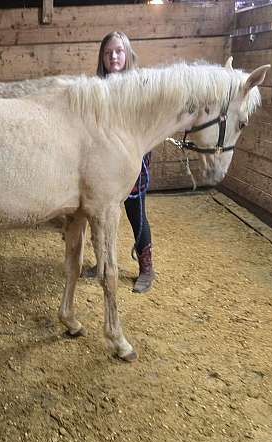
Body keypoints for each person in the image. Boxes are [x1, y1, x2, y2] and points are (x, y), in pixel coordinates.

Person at [83, 31, 155, 293]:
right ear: (102, 57)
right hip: (103, 163)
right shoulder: (96, 87)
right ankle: (101, 263)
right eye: (108, 52)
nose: (113, 56)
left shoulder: (138, 86)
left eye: (118, 51)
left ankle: (147, 268)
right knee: (99, 216)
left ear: (127, 54)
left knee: (136, 214)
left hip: (130, 160)